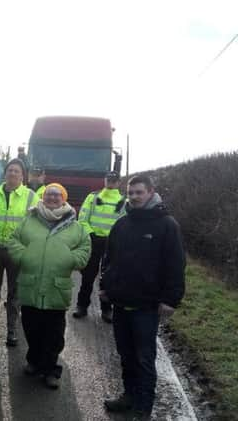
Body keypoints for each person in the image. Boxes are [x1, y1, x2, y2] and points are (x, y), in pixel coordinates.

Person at [100, 175, 185, 420]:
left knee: (144, 359)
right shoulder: (122, 224)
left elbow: (176, 265)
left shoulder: (167, 225)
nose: (134, 197)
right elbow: (109, 260)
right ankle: (128, 396)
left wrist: (171, 300)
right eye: (131, 193)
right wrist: (106, 287)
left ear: (151, 192)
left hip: (146, 307)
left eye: (139, 192)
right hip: (120, 302)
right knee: (125, 354)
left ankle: (143, 408)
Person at [7, 183, 91, 389]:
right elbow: (13, 241)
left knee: (54, 333)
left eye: (57, 195)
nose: (53, 198)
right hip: (30, 285)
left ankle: (51, 369)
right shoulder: (29, 220)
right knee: (31, 328)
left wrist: (71, 259)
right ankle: (34, 361)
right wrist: (23, 256)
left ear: (64, 199)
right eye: (49, 194)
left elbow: (85, 247)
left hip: (56, 288)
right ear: (43, 198)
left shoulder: (75, 225)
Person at [0, 159, 39, 347]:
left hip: (16, 251)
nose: (12, 174)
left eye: (16, 171)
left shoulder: (31, 197)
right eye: (10, 170)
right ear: (5, 173)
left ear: (23, 175)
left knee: (15, 293)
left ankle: (11, 330)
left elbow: (36, 225)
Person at [73, 171, 125, 323]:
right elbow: (82, 218)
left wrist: (115, 239)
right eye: (109, 180)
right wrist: (91, 234)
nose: (111, 182)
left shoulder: (123, 200)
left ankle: (107, 309)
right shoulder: (93, 197)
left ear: (118, 183)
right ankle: (81, 306)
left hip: (113, 244)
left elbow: (123, 223)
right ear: (105, 180)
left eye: (114, 181)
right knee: (88, 276)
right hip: (93, 241)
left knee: (108, 278)